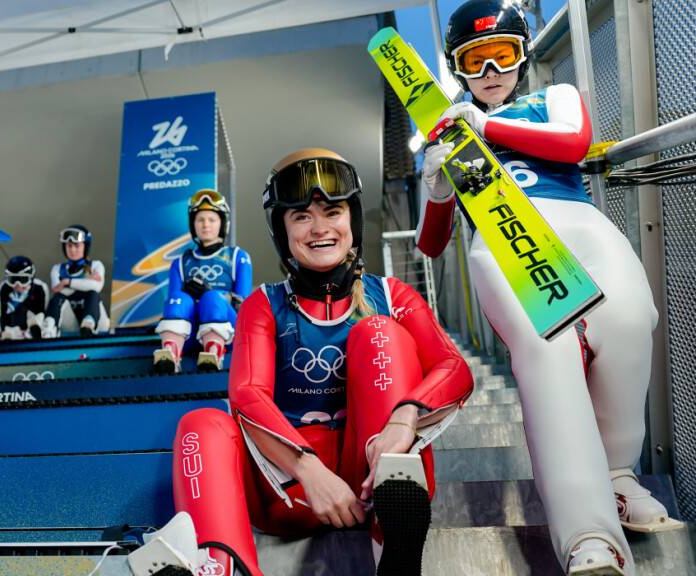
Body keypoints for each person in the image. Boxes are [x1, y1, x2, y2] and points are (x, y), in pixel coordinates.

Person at [416, 1, 674, 574]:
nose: (489, 72)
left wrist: (484, 128)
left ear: (522, 54)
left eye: (501, 55)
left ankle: (617, 475)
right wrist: (436, 187)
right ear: (458, 68)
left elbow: (575, 142)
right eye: (474, 60)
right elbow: (432, 246)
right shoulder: (446, 128)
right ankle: (588, 535)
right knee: (548, 350)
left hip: (577, 220)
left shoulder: (549, 99)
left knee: (633, 319)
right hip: (507, 236)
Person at [171, 149, 474, 576]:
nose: (319, 229)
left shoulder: (390, 295)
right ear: (283, 230)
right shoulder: (265, 302)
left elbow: (453, 368)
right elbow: (246, 393)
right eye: (300, 217)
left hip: (370, 479)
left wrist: (404, 420)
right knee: (200, 423)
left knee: (378, 333)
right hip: (289, 489)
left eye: (332, 212)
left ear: (351, 220)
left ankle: (393, 548)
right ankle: (220, 567)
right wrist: (308, 470)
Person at [153, 189, 252, 373]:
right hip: (189, 333)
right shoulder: (180, 262)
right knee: (178, 298)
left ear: (222, 223)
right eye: (200, 220)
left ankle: (214, 351)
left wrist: (210, 294)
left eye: (212, 220)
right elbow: (174, 302)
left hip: (228, 330)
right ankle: (170, 353)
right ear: (193, 225)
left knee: (211, 298)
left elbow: (244, 305)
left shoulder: (238, 256)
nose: (206, 225)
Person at [40, 225, 110, 338]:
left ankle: (89, 325)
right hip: (71, 321)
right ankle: (49, 327)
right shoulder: (57, 268)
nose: (72, 250)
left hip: (98, 322)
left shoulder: (96, 265)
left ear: (85, 246)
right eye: (69, 246)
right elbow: (57, 289)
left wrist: (68, 282)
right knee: (58, 298)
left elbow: (96, 287)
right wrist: (86, 282)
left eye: (77, 246)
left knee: (92, 294)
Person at [0, 255, 49, 340]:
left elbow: (41, 312)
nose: (17, 285)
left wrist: (33, 329)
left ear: (31, 278)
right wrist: (5, 331)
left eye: (23, 280)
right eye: (12, 280)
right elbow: (2, 314)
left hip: (32, 325)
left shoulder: (40, 288)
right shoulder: (4, 289)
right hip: (12, 328)